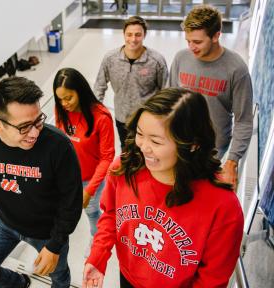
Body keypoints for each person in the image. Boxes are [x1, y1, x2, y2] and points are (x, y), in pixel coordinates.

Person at [82, 88, 244, 288]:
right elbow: (111, 215)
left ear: (192, 144)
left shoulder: (223, 206)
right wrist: (97, 257)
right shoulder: (124, 168)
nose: (143, 147)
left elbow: (212, 278)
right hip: (129, 278)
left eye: (156, 141)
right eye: (140, 134)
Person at [0, 76, 83, 288]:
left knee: (59, 276)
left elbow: (71, 201)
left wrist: (55, 245)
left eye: (38, 120)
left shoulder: (58, 146)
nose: (35, 132)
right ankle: (18, 282)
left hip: (47, 229)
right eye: (25, 127)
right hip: (1, 219)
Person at [169, 4, 253, 188]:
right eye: (188, 41)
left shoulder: (236, 69)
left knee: (200, 192)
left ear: (216, 36)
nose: (191, 47)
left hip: (213, 149)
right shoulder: (181, 58)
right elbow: (171, 102)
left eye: (197, 42)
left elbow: (244, 121)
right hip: (181, 142)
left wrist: (232, 161)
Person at [53, 68, 115, 241]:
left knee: (92, 212)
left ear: (80, 91)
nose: (64, 103)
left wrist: (89, 190)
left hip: (91, 178)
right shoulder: (61, 110)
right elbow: (59, 141)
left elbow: (107, 157)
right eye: (60, 99)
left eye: (69, 97)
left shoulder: (101, 117)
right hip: (66, 176)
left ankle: (96, 239)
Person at [94, 16, 168, 150]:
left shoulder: (156, 61)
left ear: (144, 35)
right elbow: (99, 86)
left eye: (138, 35)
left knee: (146, 151)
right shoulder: (111, 59)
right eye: (129, 34)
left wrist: (162, 117)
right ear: (123, 34)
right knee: (126, 149)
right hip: (122, 118)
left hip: (147, 119)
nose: (133, 39)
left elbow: (166, 91)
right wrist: (96, 113)